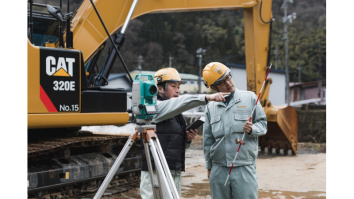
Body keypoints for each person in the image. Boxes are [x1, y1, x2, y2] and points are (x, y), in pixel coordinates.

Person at [140, 67, 229, 199]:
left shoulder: (175, 113)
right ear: (159, 88)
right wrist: (206, 97)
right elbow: (181, 102)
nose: (177, 90)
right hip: (156, 172)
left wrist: (186, 139)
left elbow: (172, 141)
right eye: (173, 86)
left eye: (178, 86)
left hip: (173, 169)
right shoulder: (155, 108)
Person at [202, 62, 267, 199]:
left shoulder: (250, 98)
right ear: (213, 87)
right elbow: (208, 140)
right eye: (222, 82)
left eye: (228, 77)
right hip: (218, 168)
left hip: (244, 166)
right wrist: (209, 166)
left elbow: (263, 125)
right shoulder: (210, 107)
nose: (228, 83)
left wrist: (252, 129)